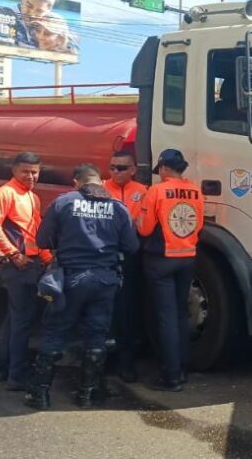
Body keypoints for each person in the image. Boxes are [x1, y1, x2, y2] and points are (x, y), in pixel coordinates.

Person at [26, 164, 140, 409]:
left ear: (76, 183)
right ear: (100, 181)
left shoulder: (64, 203)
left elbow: (42, 240)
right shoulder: (119, 208)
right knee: (97, 336)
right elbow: (132, 246)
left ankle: (40, 395)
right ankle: (86, 395)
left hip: (70, 279)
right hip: (105, 280)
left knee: (55, 332)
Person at [136, 149, 205, 391]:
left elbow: (145, 229)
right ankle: (182, 369)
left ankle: (171, 376)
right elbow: (198, 223)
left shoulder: (156, 191)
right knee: (179, 313)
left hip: (161, 260)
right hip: (187, 256)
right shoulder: (195, 190)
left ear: (164, 168)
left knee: (165, 317)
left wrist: (137, 220)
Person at [0, 152, 53, 391]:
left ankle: (4, 369)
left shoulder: (32, 197)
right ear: (14, 170)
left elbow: (34, 232)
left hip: (31, 262)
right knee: (22, 320)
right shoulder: (6, 193)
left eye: (35, 172)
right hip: (19, 265)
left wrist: (47, 258)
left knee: (14, 319)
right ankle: (17, 376)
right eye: (26, 171)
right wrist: (14, 254)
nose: (31, 176)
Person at [103, 150, 147, 383]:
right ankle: (101, 361)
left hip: (131, 256)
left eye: (121, 168)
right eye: (112, 167)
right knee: (103, 310)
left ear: (133, 170)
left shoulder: (143, 191)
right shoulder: (100, 189)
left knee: (129, 310)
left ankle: (126, 363)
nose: (116, 172)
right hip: (105, 256)